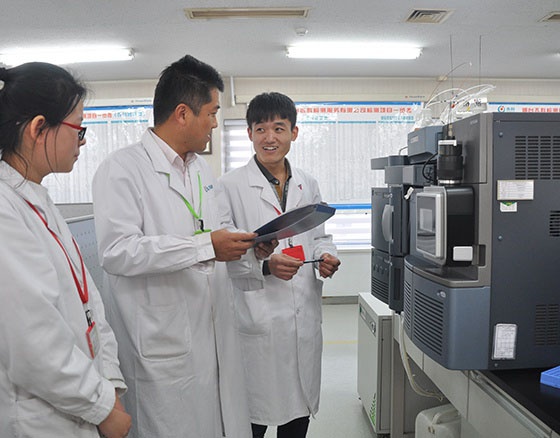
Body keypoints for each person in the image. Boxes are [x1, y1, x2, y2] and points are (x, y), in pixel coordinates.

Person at [92, 54, 268, 438]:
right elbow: (117, 251)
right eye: (212, 112)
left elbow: (213, 231)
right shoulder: (121, 169)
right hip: (162, 346)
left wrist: (247, 246)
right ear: (183, 114)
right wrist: (205, 247)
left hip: (212, 335)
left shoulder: (201, 169)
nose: (216, 123)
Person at [0, 62, 131, 438]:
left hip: (78, 401)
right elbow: (32, 342)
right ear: (39, 128)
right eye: (78, 128)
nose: (83, 141)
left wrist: (110, 384)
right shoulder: (5, 210)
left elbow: (90, 304)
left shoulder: (37, 198)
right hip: (39, 419)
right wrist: (102, 407)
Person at [217, 92, 341, 438]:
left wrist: (326, 257)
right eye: (261, 129)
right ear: (249, 133)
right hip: (258, 317)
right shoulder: (229, 186)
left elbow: (319, 236)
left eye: (279, 128)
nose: (269, 138)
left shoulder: (307, 183)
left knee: (297, 417)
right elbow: (221, 255)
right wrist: (265, 266)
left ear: (294, 133)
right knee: (253, 418)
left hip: (303, 315)